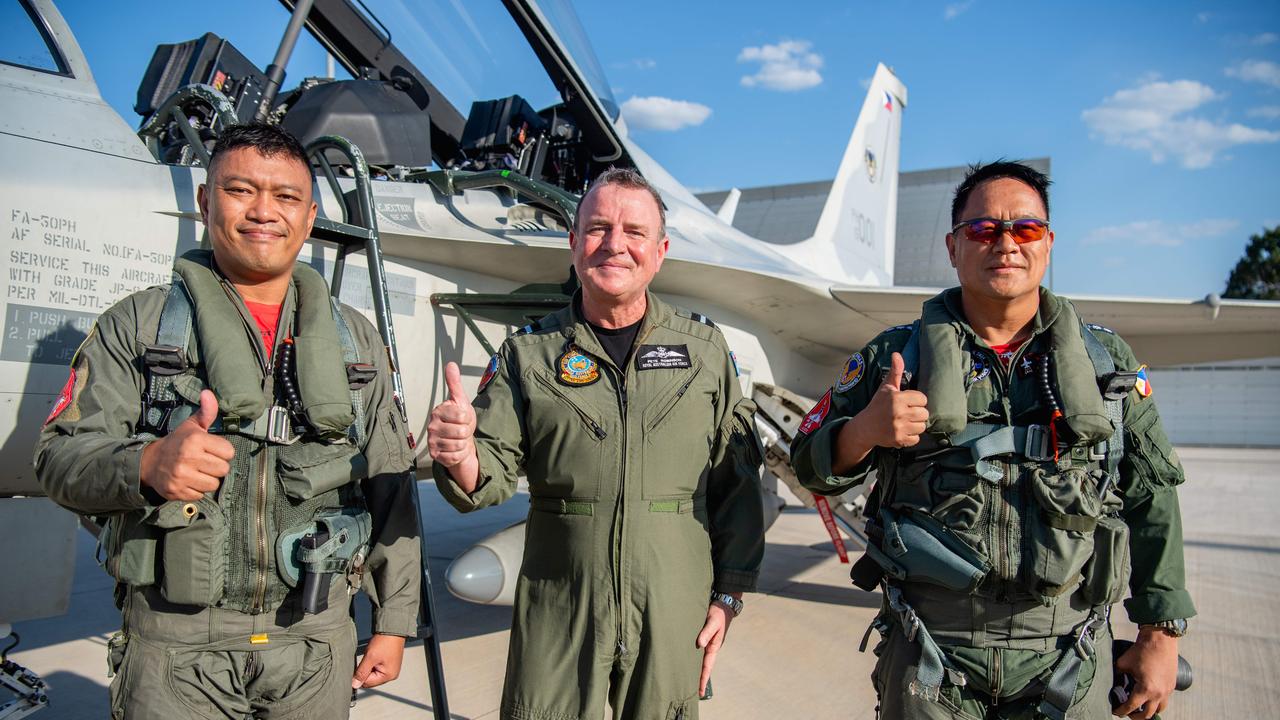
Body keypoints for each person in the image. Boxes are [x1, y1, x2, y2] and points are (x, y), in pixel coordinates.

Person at [35, 123, 421, 719]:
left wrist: (393, 623)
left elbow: (390, 482)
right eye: (241, 190)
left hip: (315, 642)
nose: (264, 211)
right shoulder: (139, 328)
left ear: (310, 212)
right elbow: (58, 457)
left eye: (286, 197)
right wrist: (145, 465)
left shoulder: (355, 343)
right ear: (205, 200)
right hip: (177, 650)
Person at [791, 161, 1194, 720]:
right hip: (932, 652)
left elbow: (1152, 493)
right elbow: (807, 466)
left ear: (1047, 244)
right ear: (954, 248)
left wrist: (1161, 633)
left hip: (1068, 652)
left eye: (1024, 229)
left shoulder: (1108, 364)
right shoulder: (894, 358)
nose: (1005, 243)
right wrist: (863, 432)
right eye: (983, 230)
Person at [428, 167, 765, 720]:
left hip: (670, 601)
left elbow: (738, 484)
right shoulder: (528, 354)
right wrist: (461, 454)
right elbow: (484, 478)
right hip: (560, 602)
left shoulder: (703, 351)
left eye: (634, 232)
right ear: (573, 244)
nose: (614, 244)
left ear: (660, 251)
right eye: (598, 227)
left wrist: (728, 596)